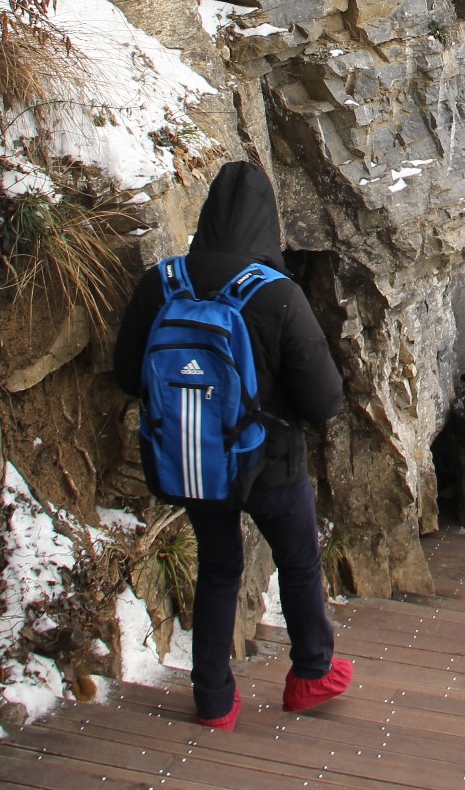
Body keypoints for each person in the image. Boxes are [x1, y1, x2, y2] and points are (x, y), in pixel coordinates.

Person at [113, 160, 352, 731]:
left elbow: (127, 375)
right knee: (298, 561)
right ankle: (310, 673)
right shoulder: (279, 296)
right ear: (266, 223)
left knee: (220, 568)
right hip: (271, 465)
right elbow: (324, 400)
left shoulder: (163, 284)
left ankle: (214, 699)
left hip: (193, 461)